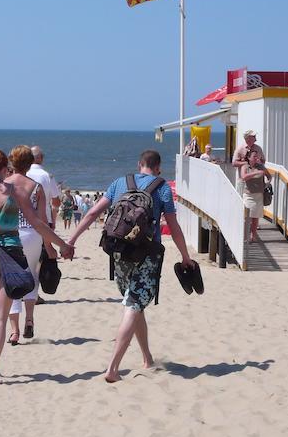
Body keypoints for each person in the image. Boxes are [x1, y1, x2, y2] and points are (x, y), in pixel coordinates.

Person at [69, 150, 196, 383]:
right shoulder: (162, 187)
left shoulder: (120, 183)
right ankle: (113, 368)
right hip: (147, 255)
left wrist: (72, 240)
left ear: (140, 165)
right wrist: (185, 256)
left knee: (134, 304)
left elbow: (95, 211)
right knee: (134, 304)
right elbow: (174, 226)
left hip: (118, 253)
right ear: (158, 167)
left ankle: (147, 358)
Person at [0, 149, 74, 385]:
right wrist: (63, 244)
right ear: (3, 168)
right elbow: (37, 223)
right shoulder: (15, 192)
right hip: (10, 255)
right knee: (0, 317)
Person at [5, 146, 54, 345]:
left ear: (12, 162)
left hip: (11, 235)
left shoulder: (5, 185)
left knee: (12, 280)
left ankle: (15, 331)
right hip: (33, 235)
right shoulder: (36, 187)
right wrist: (49, 245)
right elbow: (42, 220)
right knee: (32, 275)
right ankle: (30, 319)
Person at [240, 149, 272, 242]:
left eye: (257, 156)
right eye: (254, 156)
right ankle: (245, 236)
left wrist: (266, 185)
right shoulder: (245, 167)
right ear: (249, 158)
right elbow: (244, 177)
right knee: (247, 217)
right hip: (248, 195)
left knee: (255, 217)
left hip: (259, 195)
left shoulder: (261, 166)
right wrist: (257, 172)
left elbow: (269, 176)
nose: (256, 158)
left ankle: (253, 236)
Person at [29, 146, 61, 227]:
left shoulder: (23, 174)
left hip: (25, 220)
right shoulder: (48, 176)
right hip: (45, 219)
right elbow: (56, 202)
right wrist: (53, 221)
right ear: (42, 158)